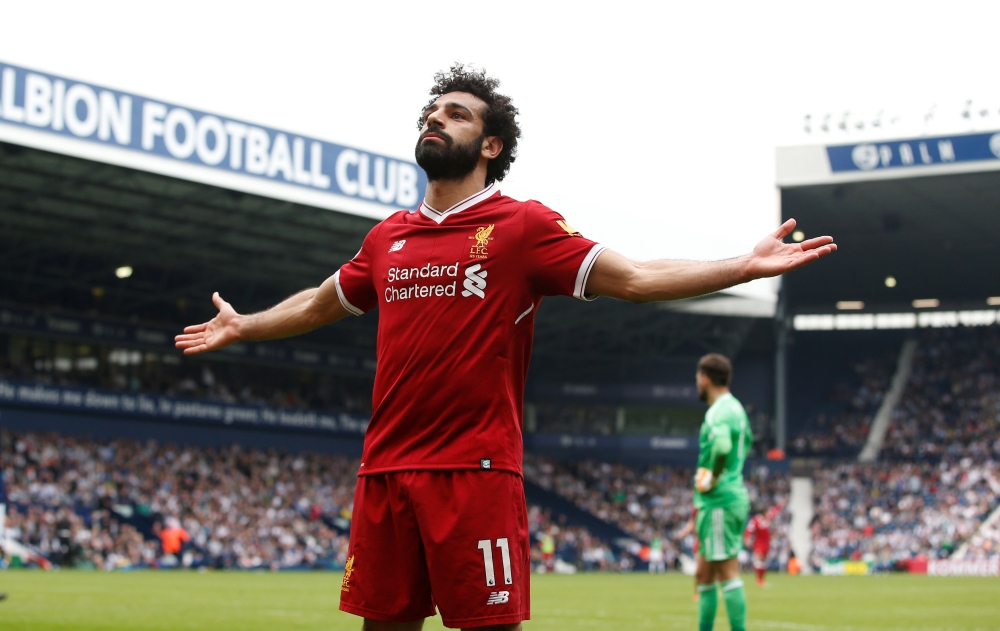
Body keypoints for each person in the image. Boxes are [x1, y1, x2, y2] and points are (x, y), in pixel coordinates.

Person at [174, 65, 836, 631]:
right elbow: (321, 302)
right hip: (385, 471)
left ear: (489, 143)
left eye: (456, 115)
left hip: (475, 472)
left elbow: (634, 278)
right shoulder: (388, 238)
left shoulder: (522, 227)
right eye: (432, 113)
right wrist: (246, 324)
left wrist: (741, 266)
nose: (436, 120)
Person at [693, 354, 752, 631]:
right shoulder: (737, 408)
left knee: (728, 573)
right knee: (704, 574)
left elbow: (722, 447)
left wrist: (712, 476)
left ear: (705, 378)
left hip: (719, 500)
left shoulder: (718, 411)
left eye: (697, 378)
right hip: (725, 497)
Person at [744, 502, 783, 586]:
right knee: (760, 560)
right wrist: (747, 538)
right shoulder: (755, 520)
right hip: (758, 543)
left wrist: (779, 506)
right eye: (766, 511)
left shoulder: (767, 517)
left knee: (764, 562)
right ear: (762, 512)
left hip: (766, 544)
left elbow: (774, 512)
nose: (767, 512)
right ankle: (759, 580)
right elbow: (749, 530)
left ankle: (762, 580)